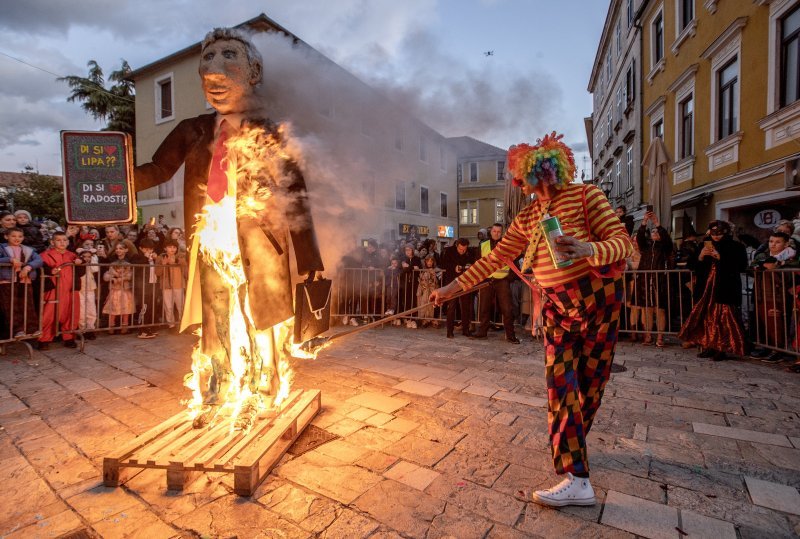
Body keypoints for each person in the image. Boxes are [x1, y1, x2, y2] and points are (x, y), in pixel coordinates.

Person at [431, 132, 633, 507]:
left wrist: (589, 248)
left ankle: (575, 447)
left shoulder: (588, 197)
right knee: (560, 386)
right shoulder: (527, 216)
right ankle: (577, 477)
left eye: (520, 177)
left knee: (589, 386)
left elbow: (624, 243)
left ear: (542, 172)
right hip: (557, 307)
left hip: (599, 302)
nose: (517, 184)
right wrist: (450, 289)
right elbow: (495, 259)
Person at [134, 27, 324, 404]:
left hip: (263, 246)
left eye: (229, 57)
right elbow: (156, 170)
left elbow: (298, 197)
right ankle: (219, 386)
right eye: (208, 58)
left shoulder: (272, 133)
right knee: (216, 318)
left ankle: (263, 384)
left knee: (263, 317)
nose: (213, 70)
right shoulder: (192, 131)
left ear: (254, 73)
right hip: (210, 244)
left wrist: (310, 260)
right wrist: (109, 181)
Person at [678, 220, 748, 361]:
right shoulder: (703, 245)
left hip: (724, 289)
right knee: (707, 317)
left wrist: (720, 257)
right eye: (713, 232)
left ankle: (722, 348)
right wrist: (701, 256)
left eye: (720, 233)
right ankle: (709, 345)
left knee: (723, 318)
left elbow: (741, 266)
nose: (716, 236)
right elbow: (692, 265)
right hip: (706, 290)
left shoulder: (736, 247)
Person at [749, 231, 797, 363]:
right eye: (771, 241)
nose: (773, 245)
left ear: (786, 243)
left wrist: (778, 266)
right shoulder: (762, 256)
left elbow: (792, 277)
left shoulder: (792, 258)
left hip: (780, 296)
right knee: (765, 324)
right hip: (762, 294)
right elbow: (751, 268)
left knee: (779, 325)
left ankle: (779, 350)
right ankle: (767, 347)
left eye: (777, 242)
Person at [473, 222, 519, 344]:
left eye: (499, 232)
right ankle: (482, 331)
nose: (496, 233)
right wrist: (481, 278)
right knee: (484, 307)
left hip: (502, 280)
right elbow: (478, 262)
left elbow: (514, 263)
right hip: (487, 280)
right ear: (491, 231)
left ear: (502, 233)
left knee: (507, 309)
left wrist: (509, 278)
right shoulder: (483, 244)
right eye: (494, 231)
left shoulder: (507, 245)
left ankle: (510, 335)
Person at [38, 231, 84, 350]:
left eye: (64, 240)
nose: (62, 242)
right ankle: (44, 339)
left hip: (71, 289)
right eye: (58, 240)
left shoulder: (73, 255)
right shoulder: (45, 255)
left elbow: (81, 272)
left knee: (71, 313)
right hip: (54, 288)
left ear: (68, 242)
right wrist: (49, 271)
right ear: (52, 242)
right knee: (49, 314)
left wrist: (80, 264)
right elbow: (40, 269)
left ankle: (69, 337)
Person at [634, 211, 673, 347]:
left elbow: (668, 240)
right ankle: (648, 335)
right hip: (645, 280)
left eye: (657, 232)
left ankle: (660, 337)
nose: (655, 233)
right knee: (647, 309)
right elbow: (639, 238)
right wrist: (644, 222)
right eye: (653, 231)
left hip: (659, 281)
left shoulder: (665, 247)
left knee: (660, 309)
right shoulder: (646, 247)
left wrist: (657, 223)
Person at [0, 228, 42, 338]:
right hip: (7, 281)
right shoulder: (2, 248)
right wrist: (9, 259)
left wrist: (28, 267)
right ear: (6, 237)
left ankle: (32, 328)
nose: (17, 238)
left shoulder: (28, 249)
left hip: (25, 280)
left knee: (28, 305)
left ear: (23, 238)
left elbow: (39, 260)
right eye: (13, 236)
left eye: (19, 236)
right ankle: (17, 330)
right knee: (11, 306)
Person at [440, 238, 475, 338]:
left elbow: (474, 262)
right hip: (452, 282)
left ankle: (465, 329)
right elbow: (443, 264)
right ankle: (449, 331)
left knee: (465, 307)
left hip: (465, 281)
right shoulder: (449, 251)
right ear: (457, 245)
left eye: (464, 249)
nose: (462, 251)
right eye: (460, 249)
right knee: (451, 306)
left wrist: (469, 265)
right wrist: (454, 267)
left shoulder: (470, 252)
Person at [103, 243, 135, 334]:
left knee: (126, 307)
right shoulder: (113, 263)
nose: (118, 250)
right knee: (113, 308)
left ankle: (125, 327)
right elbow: (106, 275)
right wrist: (112, 278)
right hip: (115, 289)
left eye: (120, 248)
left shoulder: (129, 263)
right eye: (116, 249)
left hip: (125, 289)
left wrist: (121, 278)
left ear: (126, 250)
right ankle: (111, 327)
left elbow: (130, 275)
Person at [157, 239, 187, 332]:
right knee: (168, 306)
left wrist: (182, 264)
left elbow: (186, 273)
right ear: (165, 248)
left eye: (174, 247)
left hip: (179, 284)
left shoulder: (180, 257)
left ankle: (184, 324)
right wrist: (163, 265)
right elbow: (157, 273)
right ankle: (171, 325)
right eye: (170, 247)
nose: (172, 249)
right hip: (166, 286)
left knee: (181, 305)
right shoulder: (161, 258)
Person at [75, 247, 99, 340]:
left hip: (90, 289)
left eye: (89, 256)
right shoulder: (78, 265)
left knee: (91, 309)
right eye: (84, 256)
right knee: (81, 310)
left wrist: (93, 256)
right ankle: (82, 330)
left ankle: (90, 329)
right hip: (81, 289)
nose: (87, 258)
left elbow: (95, 268)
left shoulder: (91, 265)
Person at [398, 244, 422, 328]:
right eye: (406, 250)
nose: (407, 251)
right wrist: (411, 267)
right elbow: (402, 270)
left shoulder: (417, 259)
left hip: (414, 282)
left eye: (409, 249)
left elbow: (419, 269)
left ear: (412, 250)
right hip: (406, 283)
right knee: (407, 301)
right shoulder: (403, 259)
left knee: (414, 301)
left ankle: (413, 319)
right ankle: (408, 319)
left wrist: (408, 267)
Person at [416, 255, 440, 328]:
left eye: (431, 261)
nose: (429, 263)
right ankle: (425, 320)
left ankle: (433, 320)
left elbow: (437, 280)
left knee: (433, 305)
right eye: (428, 261)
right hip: (424, 290)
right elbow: (420, 279)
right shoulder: (423, 270)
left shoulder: (437, 270)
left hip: (433, 290)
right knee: (424, 304)